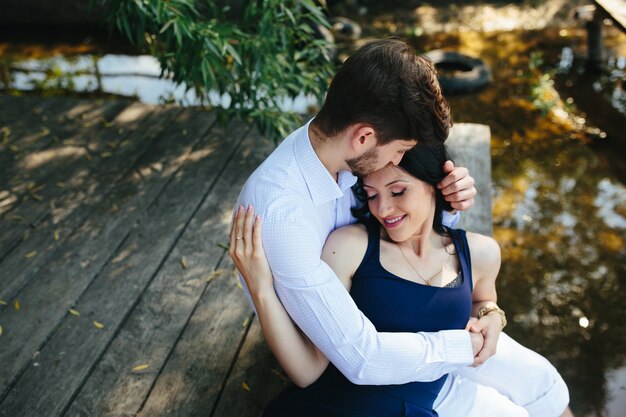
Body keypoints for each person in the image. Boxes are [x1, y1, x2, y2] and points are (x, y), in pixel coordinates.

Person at [231, 38, 571, 416]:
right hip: (367, 357)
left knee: (545, 382)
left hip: (416, 314)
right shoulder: (283, 217)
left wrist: (446, 199)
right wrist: (462, 346)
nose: (399, 160)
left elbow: (399, 213)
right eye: (400, 150)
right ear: (363, 136)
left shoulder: (343, 152)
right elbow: (359, 358)